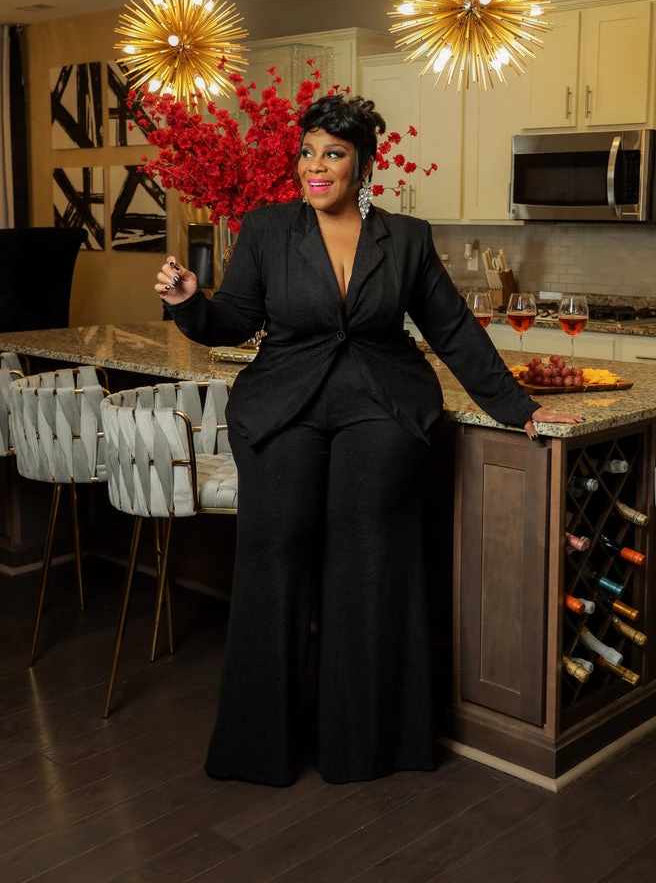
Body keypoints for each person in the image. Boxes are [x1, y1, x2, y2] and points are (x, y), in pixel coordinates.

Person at [156, 93, 583, 787]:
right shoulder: (266, 229)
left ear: (362, 166)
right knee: (272, 556)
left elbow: (452, 329)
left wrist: (519, 408)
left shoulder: (406, 238)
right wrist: (188, 304)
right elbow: (233, 318)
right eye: (307, 153)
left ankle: (364, 746)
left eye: (333, 154)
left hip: (382, 405)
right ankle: (256, 746)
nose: (315, 166)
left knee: (367, 563)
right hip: (284, 406)